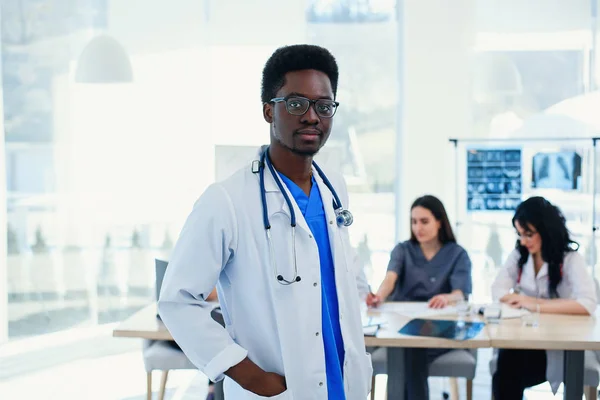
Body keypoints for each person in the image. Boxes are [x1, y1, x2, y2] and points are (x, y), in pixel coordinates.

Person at [157, 44, 372, 400]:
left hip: (343, 384)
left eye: (323, 105)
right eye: (296, 103)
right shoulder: (226, 200)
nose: (311, 117)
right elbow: (178, 301)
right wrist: (251, 376)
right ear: (269, 111)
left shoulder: (335, 189)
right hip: (279, 390)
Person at [366, 195, 472, 400]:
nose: (418, 227)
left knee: (411, 351)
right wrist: (379, 296)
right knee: (409, 350)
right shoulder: (403, 250)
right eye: (414, 222)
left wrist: (447, 298)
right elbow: (390, 279)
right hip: (401, 328)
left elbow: (460, 293)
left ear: (440, 222)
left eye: (424, 221)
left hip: (439, 328)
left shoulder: (458, 254)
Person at [491, 196, 597, 399]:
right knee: (505, 370)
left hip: (561, 345)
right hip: (525, 341)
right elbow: (497, 290)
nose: (523, 241)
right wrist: (519, 300)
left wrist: (533, 304)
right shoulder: (519, 255)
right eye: (520, 234)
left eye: (529, 234)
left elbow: (587, 303)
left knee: (507, 371)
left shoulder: (571, 259)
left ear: (545, 229)